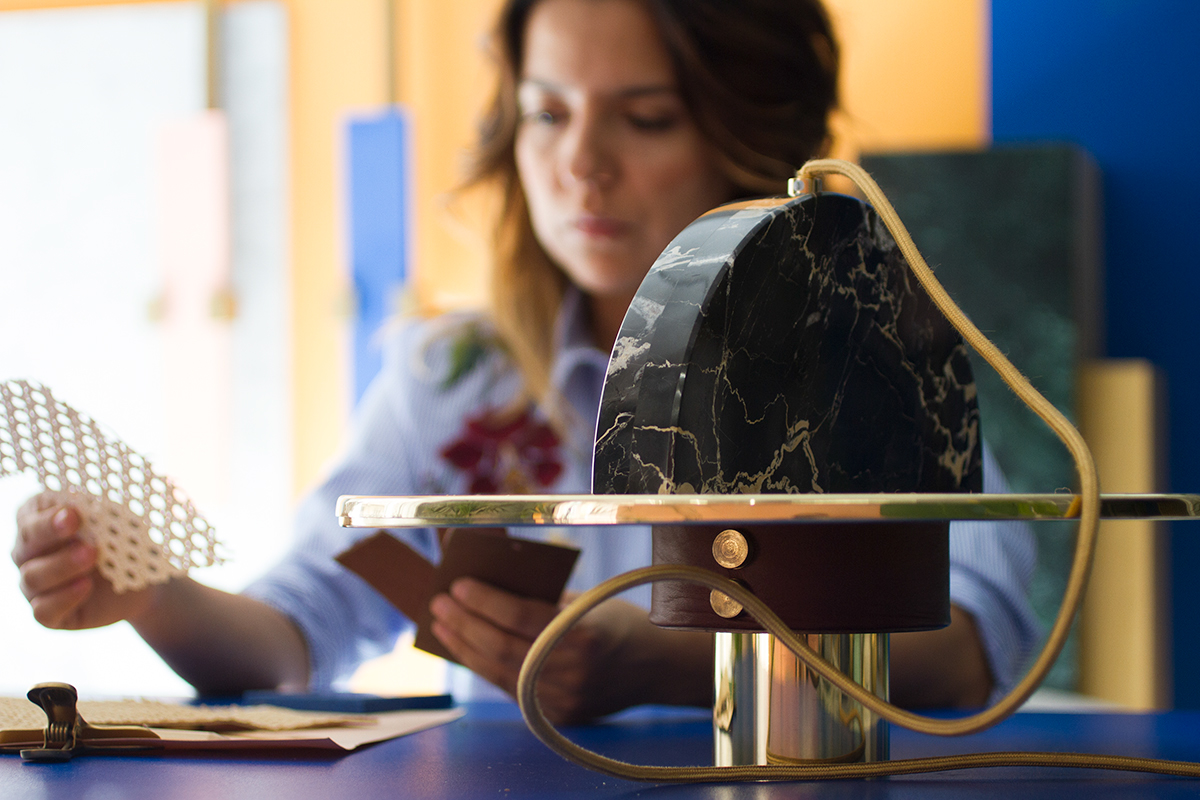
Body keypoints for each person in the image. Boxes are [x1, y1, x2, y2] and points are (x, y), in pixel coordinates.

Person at [11, 0, 1039, 724]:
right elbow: (289, 638)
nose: (581, 161)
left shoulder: (862, 363)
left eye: (645, 117)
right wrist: (146, 591)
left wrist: (660, 666)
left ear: (750, 133)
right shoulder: (453, 376)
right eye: (548, 112)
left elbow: (976, 642)